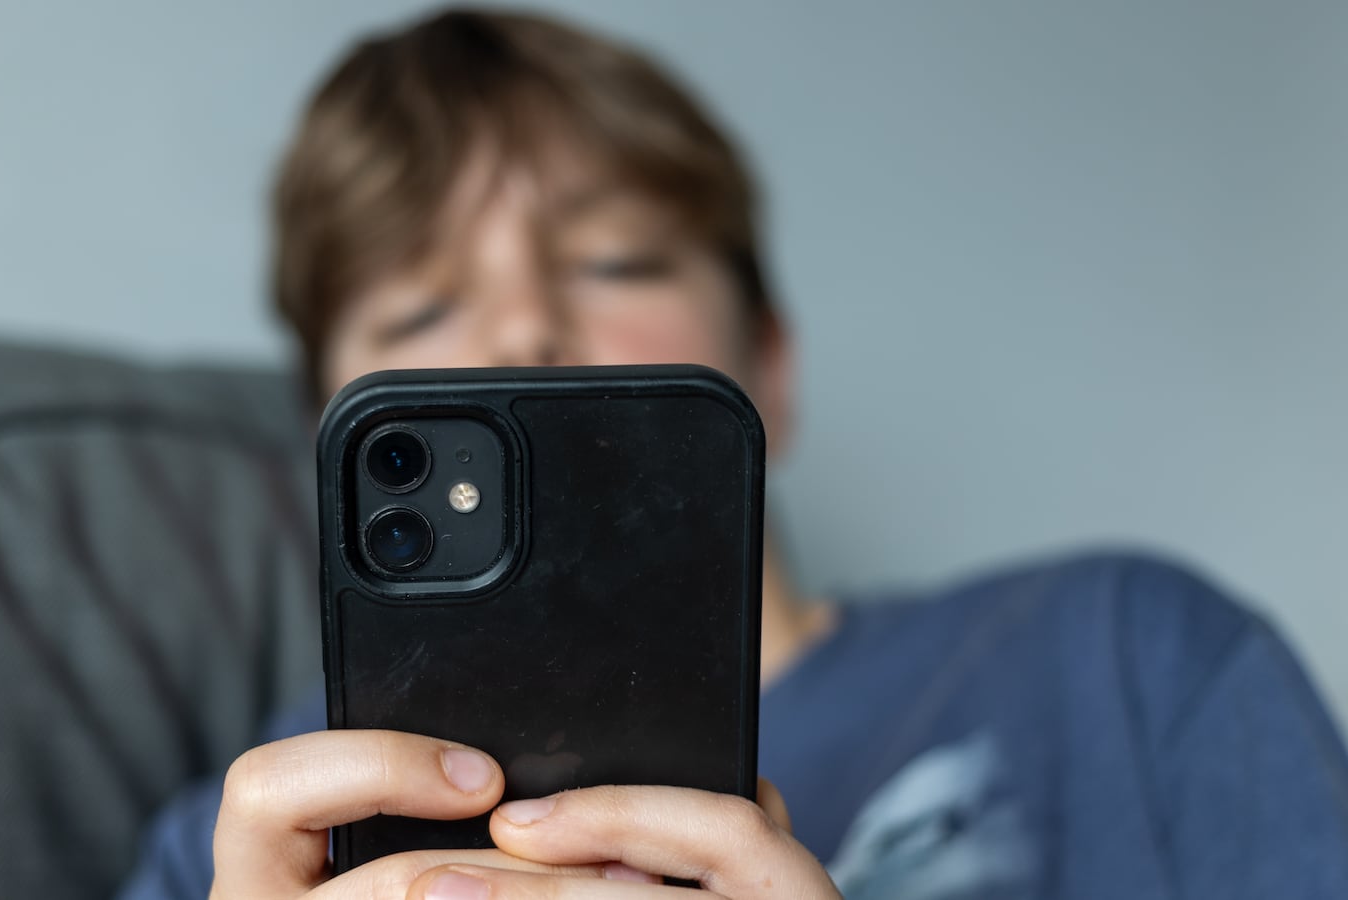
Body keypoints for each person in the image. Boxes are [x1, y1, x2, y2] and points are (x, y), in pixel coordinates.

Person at [121, 8, 1348, 899]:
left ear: (771, 365)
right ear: (324, 434)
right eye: (417, 315)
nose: (521, 330)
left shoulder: (1122, 664)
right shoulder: (252, 836)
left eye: (614, 264)